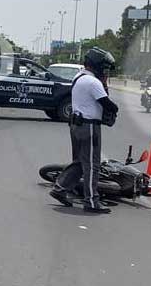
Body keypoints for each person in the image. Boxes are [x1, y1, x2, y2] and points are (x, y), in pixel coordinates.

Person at [49, 47, 118, 214]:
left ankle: (60, 188)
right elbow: (108, 104)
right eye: (104, 67)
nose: (106, 71)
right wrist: (113, 103)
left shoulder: (79, 77)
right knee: (92, 165)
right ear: (97, 65)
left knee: (80, 162)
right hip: (89, 126)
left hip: (76, 124)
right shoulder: (93, 82)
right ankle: (92, 201)